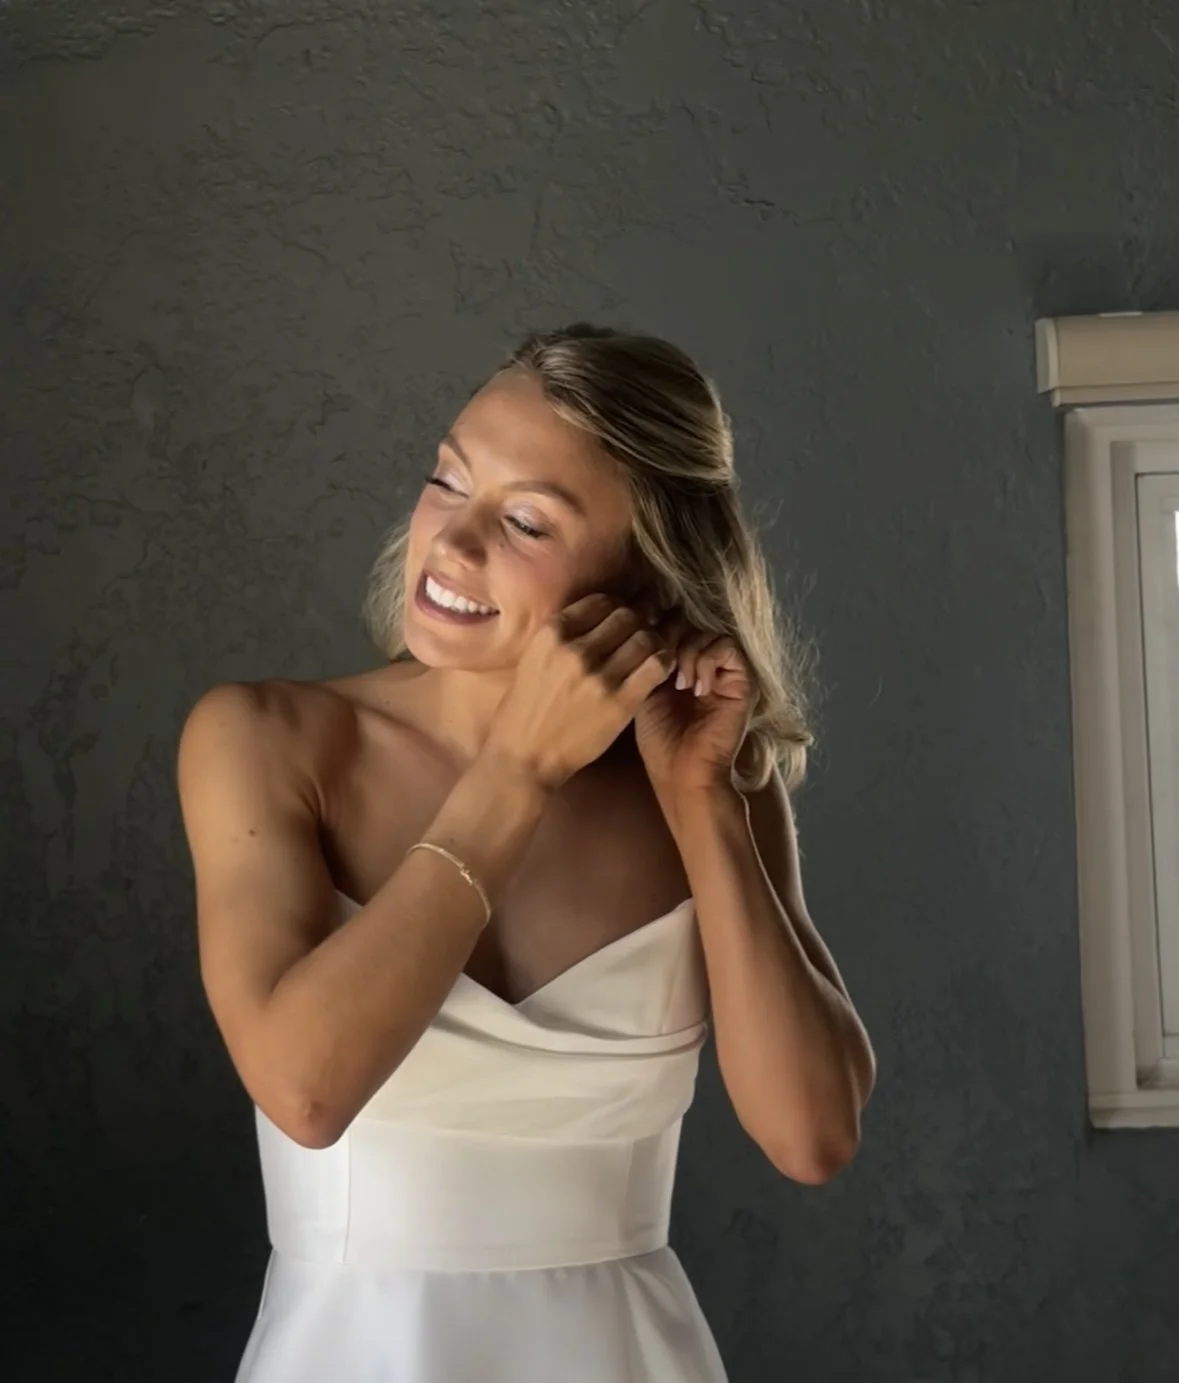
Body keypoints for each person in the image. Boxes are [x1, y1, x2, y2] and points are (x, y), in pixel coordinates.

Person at [177, 323, 875, 1383]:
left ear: (648, 575)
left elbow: (811, 1136)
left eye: (527, 522)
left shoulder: (715, 785)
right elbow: (306, 1093)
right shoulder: (265, 740)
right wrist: (518, 772)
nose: (452, 544)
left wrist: (702, 804)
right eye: (447, 481)